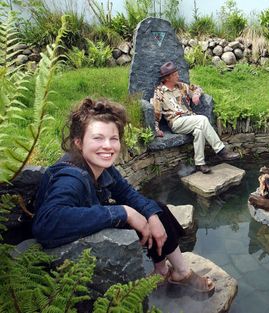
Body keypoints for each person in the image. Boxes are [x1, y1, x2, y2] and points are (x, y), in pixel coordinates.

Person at [32, 98, 215, 293]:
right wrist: (123, 212)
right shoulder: (70, 178)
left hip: (88, 215)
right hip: (69, 236)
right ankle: (179, 272)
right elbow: (46, 223)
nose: (108, 146)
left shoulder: (102, 167)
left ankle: (168, 271)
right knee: (141, 213)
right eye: (98, 138)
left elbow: (127, 193)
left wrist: (151, 215)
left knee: (156, 209)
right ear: (78, 142)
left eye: (114, 138)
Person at [152, 61, 238, 174]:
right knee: (202, 119)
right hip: (176, 122)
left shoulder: (181, 86)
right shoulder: (159, 92)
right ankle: (221, 151)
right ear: (167, 78)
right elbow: (156, 111)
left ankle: (200, 163)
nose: (178, 75)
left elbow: (197, 88)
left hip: (190, 118)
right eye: (175, 74)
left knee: (199, 131)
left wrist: (196, 94)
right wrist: (156, 129)